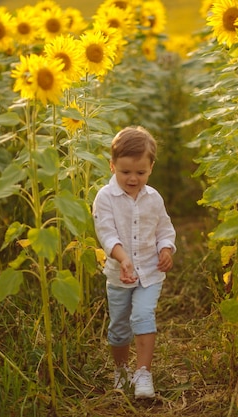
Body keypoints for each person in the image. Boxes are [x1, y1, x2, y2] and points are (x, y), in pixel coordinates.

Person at [92, 126, 176, 399]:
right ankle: (121, 370)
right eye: (125, 172)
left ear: (151, 167)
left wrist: (165, 249)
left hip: (150, 273)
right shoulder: (105, 198)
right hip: (119, 275)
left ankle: (143, 373)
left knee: (142, 315)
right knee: (118, 327)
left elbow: (164, 228)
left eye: (140, 173)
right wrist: (123, 259)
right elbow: (107, 233)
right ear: (112, 165)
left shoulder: (154, 198)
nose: (132, 178)